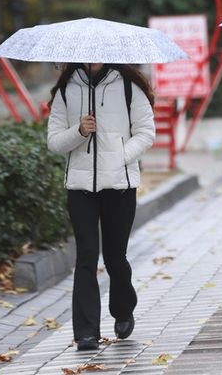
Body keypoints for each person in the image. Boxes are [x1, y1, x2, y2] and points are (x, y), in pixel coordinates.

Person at [47, 62, 156, 351]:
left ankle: (123, 309)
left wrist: (120, 156)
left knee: (115, 257)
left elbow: (146, 132)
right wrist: (79, 131)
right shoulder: (67, 90)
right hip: (80, 188)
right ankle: (86, 332)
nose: (91, 59)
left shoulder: (128, 87)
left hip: (119, 185)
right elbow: (54, 141)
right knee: (85, 257)